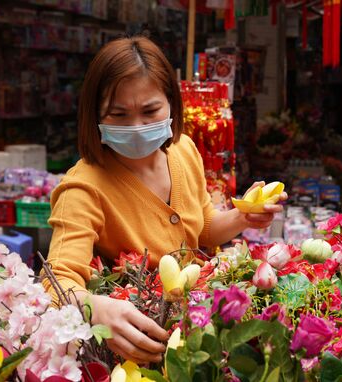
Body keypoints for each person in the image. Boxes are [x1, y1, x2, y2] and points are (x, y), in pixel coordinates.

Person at [42, 36, 287, 364]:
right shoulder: (83, 188)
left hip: (200, 337)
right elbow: (56, 282)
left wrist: (244, 215)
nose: (138, 127)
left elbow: (204, 231)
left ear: (172, 102)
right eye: (119, 114)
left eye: (150, 110)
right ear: (95, 115)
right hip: (139, 353)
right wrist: (94, 307)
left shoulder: (183, 149)